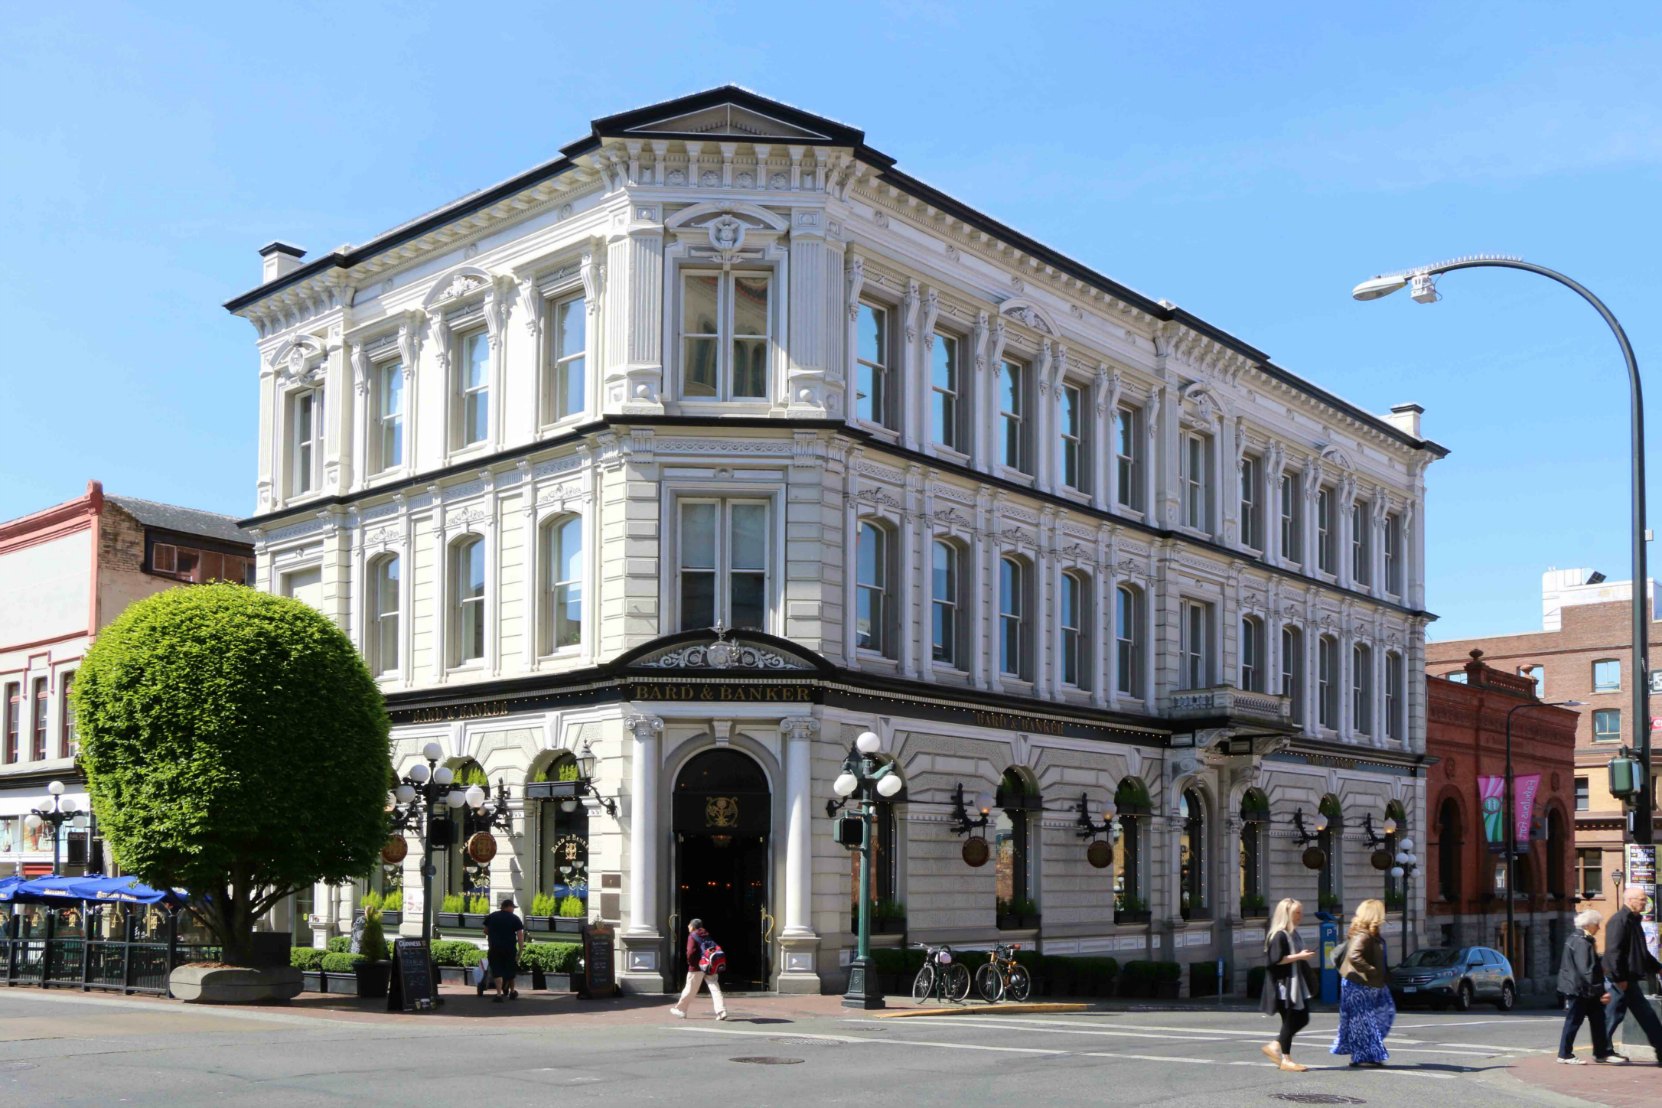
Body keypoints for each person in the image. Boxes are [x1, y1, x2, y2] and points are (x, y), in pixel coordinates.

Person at [1330, 898, 1395, 1067]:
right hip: (1359, 983)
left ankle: (1365, 1053)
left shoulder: (1371, 934)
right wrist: (1371, 970)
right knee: (1363, 1020)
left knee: (1378, 1015)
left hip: (1368, 984)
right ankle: (1366, 1055)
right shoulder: (1363, 935)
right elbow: (1354, 956)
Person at [1603, 883, 1662, 1064]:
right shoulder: (1619, 921)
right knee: (1613, 1016)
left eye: (1645, 899)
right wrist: (1619, 978)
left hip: (1630, 979)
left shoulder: (1634, 921)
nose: (1645, 902)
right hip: (1620, 980)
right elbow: (1613, 952)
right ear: (1630, 900)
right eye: (1642, 899)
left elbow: (1640, 952)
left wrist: (1658, 967)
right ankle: (1602, 1051)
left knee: (1647, 1016)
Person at [1260, 898, 1319, 1072]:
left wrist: (1302, 956)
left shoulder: (1292, 933)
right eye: (1297, 913)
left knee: (1300, 1018)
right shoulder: (1279, 935)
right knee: (1292, 1019)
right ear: (1286, 914)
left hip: (1295, 984)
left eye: (1301, 912)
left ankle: (1277, 1047)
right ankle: (1285, 1057)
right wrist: (1299, 956)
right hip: (1284, 986)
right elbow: (1274, 960)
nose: (1300, 916)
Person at [1556, 908, 1616, 1064]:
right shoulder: (1582, 942)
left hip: (1583, 988)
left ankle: (1601, 1053)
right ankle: (1564, 1054)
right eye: (1597, 924)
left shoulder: (1575, 938)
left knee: (1598, 1019)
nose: (1599, 927)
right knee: (1574, 1021)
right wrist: (1601, 990)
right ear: (1589, 925)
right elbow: (1586, 970)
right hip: (1581, 989)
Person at [670, 918, 728, 1021]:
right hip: (710, 965)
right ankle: (721, 1011)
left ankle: (681, 1010)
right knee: (715, 987)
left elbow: (690, 952)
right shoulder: (706, 934)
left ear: (692, 926)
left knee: (690, 989)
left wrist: (691, 963)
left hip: (697, 966)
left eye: (689, 925)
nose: (688, 927)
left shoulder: (692, 935)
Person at [481, 895, 526, 1003]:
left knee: (497, 970)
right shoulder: (514, 918)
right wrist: (521, 948)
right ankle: (512, 992)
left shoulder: (492, 916)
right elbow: (520, 935)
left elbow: (485, 931)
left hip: (494, 948)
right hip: (509, 948)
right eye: (513, 907)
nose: (513, 910)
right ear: (508, 907)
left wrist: (494, 934)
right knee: (510, 970)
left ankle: (498, 994)